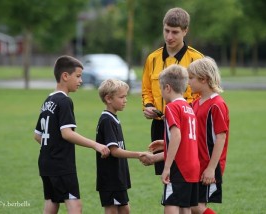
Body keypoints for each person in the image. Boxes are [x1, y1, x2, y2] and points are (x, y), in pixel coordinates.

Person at [33, 55, 110, 214]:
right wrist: (96, 144)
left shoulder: (48, 100)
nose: (80, 80)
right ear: (65, 76)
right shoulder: (64, 101)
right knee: (75, 205)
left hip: (45, 161)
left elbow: (37, 135)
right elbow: (67, 134)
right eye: (78, 76)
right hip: (61, 163)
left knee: (52, 201)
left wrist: (51, 147)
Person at [141, 7, 204, 175]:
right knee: (166, 176)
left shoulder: (197, 59)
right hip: (160, 125)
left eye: (175, 32)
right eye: (166, 31)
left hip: (187, 125)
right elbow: (146, 89)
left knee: (186, 173)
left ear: (185, 31)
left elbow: (204, 94)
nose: (169, 37)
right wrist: (147, 106)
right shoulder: (152, 59)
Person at [140, 64, 200, 214]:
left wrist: (167, 167)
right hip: (193, 165)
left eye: (160, 89)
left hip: (179, 166)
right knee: (185, 206)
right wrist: (165, 143)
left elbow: (177, 136)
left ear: (167, 88)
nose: (161, 93)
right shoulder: (188, 107)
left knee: (171, 204)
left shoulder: (172, 107)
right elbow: (186, 138)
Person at [96, 79, 148, 214]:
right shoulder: (107, 120)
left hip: (117, 176)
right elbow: (114, 151)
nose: (125, 100)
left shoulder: (113, 118)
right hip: (110, 176)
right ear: (108, 99)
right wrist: (138, 154)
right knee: (112, 210)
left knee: (124, 209)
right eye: (122, 97)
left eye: (126, 96)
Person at [187, 57, 230, 214]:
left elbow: (221, 137)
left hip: (209, 164)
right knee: (189, 206)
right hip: (196, 163)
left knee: (196, 207)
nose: (188, 82)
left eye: (191, 78)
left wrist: (211, 168)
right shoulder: (196, 103)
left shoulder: (217, 105)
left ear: (203, 79)